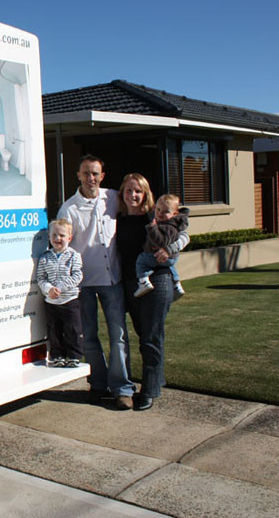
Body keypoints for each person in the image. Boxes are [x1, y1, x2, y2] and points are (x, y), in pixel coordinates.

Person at [58, 155, 134, 410]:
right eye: (86, 173)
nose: (91, 178)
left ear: (102, 176)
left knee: (118, 335)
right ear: (78, 175)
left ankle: (122, 389)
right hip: (84, 282)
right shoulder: (68, 209)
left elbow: (139, 203)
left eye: (95, 174)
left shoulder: (112, 197)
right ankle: (98, 385)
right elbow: (61, 245)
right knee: (89, 336)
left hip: (112, 278)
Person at [116, 173, 189, 411]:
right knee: (142, 334)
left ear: (146, 194)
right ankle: (154, 380)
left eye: (138, 191)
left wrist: (171, 248)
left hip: (157, 281)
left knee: (151, 336)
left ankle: (149, 390)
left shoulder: (155, 217)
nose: (133, 195)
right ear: (122, 193)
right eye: (129, 190)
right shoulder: (118, 219)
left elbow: (184, 233)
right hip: (130, 282)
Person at [36, 218, 84, 368]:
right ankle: (57, 356)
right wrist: (49, 289)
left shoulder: (73, 256)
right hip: (51, 301)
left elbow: (77, 275)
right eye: (54, 235)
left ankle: (73, 356)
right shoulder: (45, 257)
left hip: (69, 300)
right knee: (54, 330)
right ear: (49, 237)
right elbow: (41, 277)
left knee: (72, 329)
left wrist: (61, 288)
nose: (58, 239)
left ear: (69, 238)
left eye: (62, 235)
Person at [134, 194, 188, 300]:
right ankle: (177, 284)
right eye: (158, 209)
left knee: (141, 261)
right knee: (170, 266)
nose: (160, 213)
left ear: (175, 213)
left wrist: (152, 228)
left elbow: (160, 241)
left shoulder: (168, 226)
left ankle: (144, 281)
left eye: (166, 211)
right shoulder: (175, 223)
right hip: (172, 259)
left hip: (158, 255)